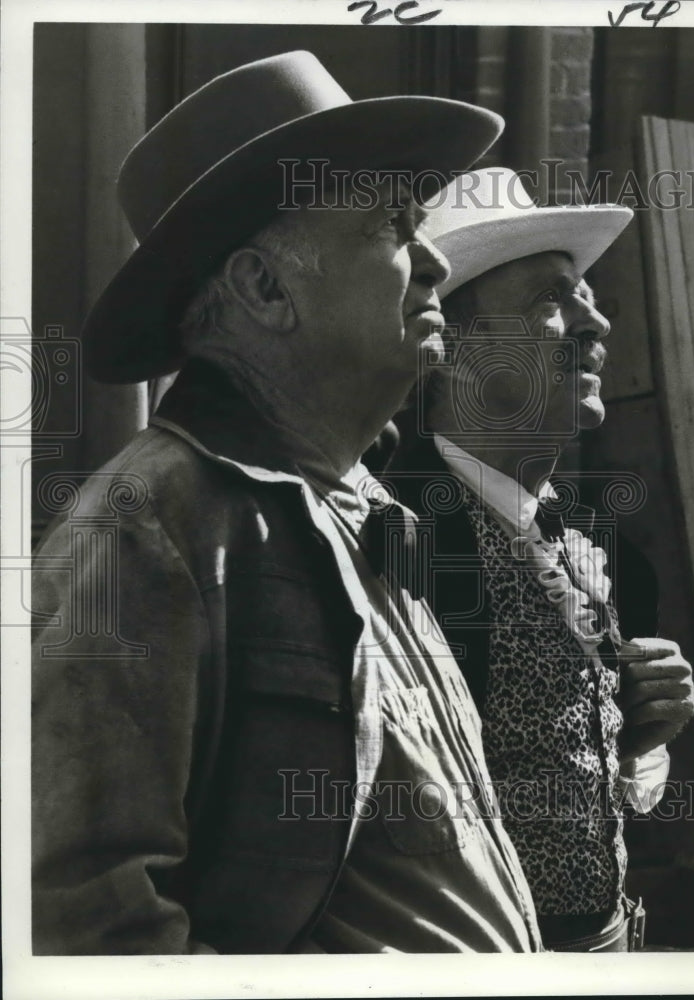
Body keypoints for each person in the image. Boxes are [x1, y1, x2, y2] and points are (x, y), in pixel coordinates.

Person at [31, 53, 543, 955]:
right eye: (391, 226)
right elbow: (84, 922)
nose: (432, 260)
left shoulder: (364, 511)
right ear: (263, 289)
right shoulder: (152, 524)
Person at [386, 167, 694, 951]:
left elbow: (589, 786)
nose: (595, 324)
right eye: (551, 301)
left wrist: (635, 742)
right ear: (450, 350)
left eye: (587, 295)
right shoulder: (394, 534)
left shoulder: (596, 545)